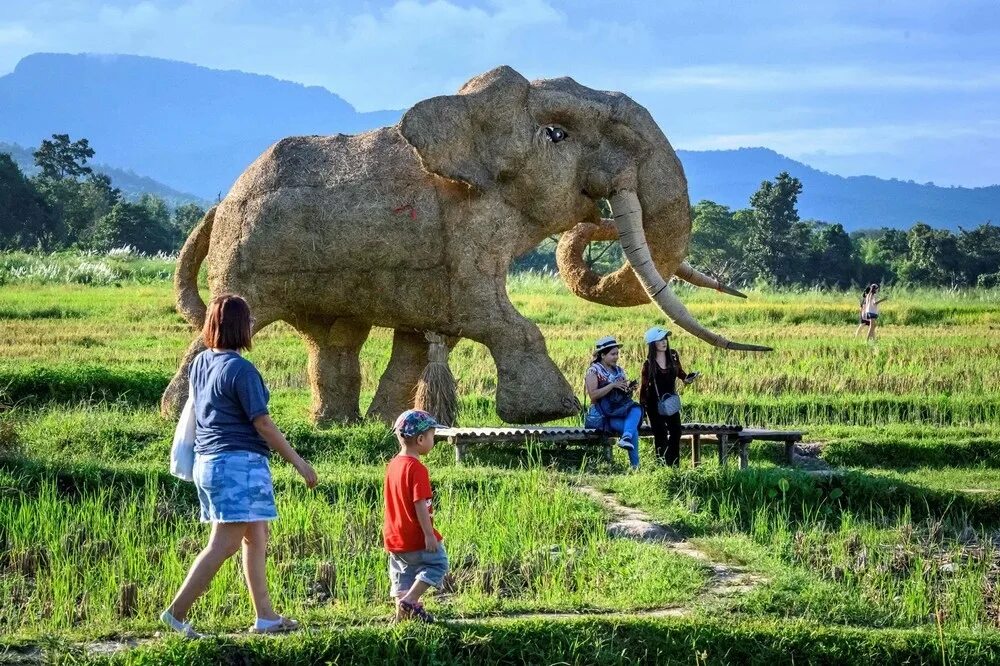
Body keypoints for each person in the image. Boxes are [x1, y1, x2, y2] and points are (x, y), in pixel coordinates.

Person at [161, 294, 318, 638]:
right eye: (248, 321)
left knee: (256, 536)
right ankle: (175, 613)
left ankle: (265, 617)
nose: (252, 326)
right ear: (238, 327)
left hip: (210, 462)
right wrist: (299, 463)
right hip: (237, 463)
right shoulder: (241, 370)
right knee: (224, 543)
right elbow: (262, 423)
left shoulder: (202, 362)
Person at [384, 409, 449, 623]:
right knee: (438, 563)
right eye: (432, 436)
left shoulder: (393, 465)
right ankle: (411, 600)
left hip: (395, 537)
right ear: (420, 439)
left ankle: (400, 619)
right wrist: (429, 535)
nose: (433, 441)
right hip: (416, 535)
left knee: (403, 576)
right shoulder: (417, 469)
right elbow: (420, 503)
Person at [639, 327, 698, 466]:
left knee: (676, 431)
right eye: (660, 340)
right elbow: (644, 386)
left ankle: (674, 465)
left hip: (670, 401)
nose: (664, 342)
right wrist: (642, 407)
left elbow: (680, 372)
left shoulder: (673, 355)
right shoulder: (648, 364)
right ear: (653, 343)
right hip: (654, 403)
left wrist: (686, 379)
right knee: (660, 434)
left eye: (665, 338)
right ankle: (662, 465)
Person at [584, 336, 643, 469]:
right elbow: (593, 395)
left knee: (637, 408)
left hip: (619, 411)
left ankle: (626, 438)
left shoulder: (619, 370)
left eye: (617, 354)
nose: (616, 357)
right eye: (613, 354)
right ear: (603, 355)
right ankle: (636, 466)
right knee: (633, 431)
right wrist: (612, 386)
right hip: (603, 414)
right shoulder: (593, 371)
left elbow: (622, 396)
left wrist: (629, 389)